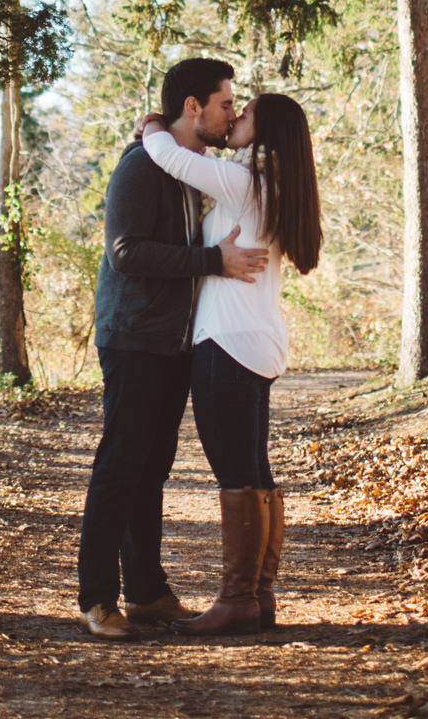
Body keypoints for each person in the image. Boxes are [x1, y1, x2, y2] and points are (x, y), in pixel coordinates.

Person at [77, 58, 268, 639]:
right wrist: (214, 262)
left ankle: (147, 592)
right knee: (120, 462)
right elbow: (125, 252)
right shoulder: (141, 166)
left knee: (152, 467)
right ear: (193, 107)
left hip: (173, 342)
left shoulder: (193, 167)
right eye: (225, 104)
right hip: (134, 336)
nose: (232, 113)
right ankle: (96, 598)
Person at [136, 90, 322, 637]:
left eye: (248, 114)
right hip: (256, 342)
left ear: (266, 134)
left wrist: (152, 121)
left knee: (238, 475)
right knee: (255, 473)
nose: (237, 117)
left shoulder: (244, 185)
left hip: (226, 345)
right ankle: (258, 596)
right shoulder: (274, 186)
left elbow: (169, 156)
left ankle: (238, 598)